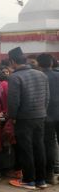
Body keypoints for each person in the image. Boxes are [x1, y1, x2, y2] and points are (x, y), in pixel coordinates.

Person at [7, 47, 49, 189]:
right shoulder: (41, 75)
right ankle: (41, 180)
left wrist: (12, 117)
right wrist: (42, 111)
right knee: (39, 147)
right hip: (40, 116)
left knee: (26, 149)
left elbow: (13, 101)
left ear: (13, 61)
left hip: (24, 118)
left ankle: (29, 180)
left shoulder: (14, 77)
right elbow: (47, 97)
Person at [37, 53, 59, 184]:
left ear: (39, 64)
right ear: (51, 63)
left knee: (49, 144)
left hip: (46, 116)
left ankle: (49, 174)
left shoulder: (40, 77)